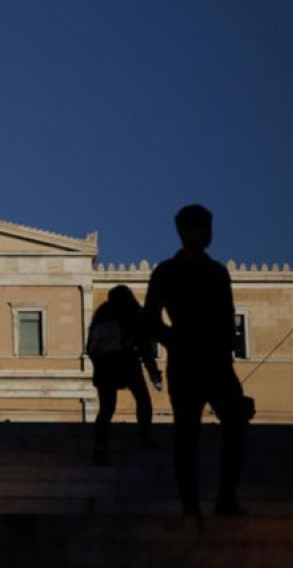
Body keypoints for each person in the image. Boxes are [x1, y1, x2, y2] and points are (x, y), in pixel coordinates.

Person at [143, 204, 251, 516]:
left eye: (207, 226)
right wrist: (173, 340)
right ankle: (190, 505)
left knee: (236, 424)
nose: (204, 233)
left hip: (217, 362)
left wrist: (227, 349)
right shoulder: (166, 272)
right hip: (185, 362)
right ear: (183, 231)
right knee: (187, 433)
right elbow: (150, 318)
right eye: (198, 227)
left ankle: (226, 496)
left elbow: (228, 316)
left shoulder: (218, 272)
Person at [87, 284, 162, 465]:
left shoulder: (101, 314)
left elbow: (90, 347)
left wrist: (99, 364)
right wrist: (153, 373)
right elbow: (144, 345)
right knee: (142, 399)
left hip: (104, 367)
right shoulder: (132, 312)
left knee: (106, 409)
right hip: (126, 363)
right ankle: (145, 437)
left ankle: (100, 448)